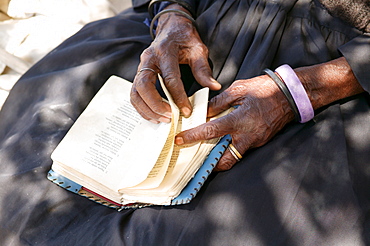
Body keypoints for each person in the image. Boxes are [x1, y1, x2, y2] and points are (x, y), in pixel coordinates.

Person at [0, 0, 369, 245]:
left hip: (338, 71)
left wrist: (297, 93)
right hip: (197, 29)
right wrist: (171, 15)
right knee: (31, 153)